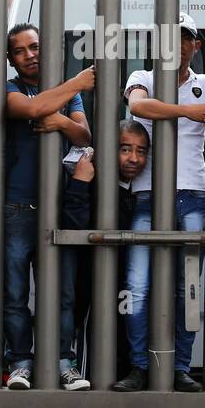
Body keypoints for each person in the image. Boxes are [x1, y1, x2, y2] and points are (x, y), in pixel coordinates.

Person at [111, 13, 205, 392]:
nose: (178, 44)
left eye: (185, 37)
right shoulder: (145, 79)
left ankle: (180, 366)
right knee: (137, 287)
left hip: (193, 197)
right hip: (148, 196)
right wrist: (190, 112)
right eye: (170, 37)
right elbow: (138, 107)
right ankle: (140, 367)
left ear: (196, 46)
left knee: (189, 289)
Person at [2, 24, 94, 391]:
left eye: (35, 46)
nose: (30, 55)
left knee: (63, 292)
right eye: (21, 50)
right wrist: (74, 85)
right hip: (15, 206)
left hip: (59, 206)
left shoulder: (62, 93)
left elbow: (85, 135)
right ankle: (21, 362)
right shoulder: (8, 87)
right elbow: (29, 107)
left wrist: (57, 120)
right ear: (11, 58)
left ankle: (62, 362)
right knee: (14, 291)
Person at [64, 120, 150, 381]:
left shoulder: (150, 194)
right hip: (96, 290)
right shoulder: (93, 182)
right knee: (96, 369)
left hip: (134, 294)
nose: (134, 158)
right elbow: (71, 226)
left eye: (141, 151)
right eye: (125, 149)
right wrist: (80, 184)